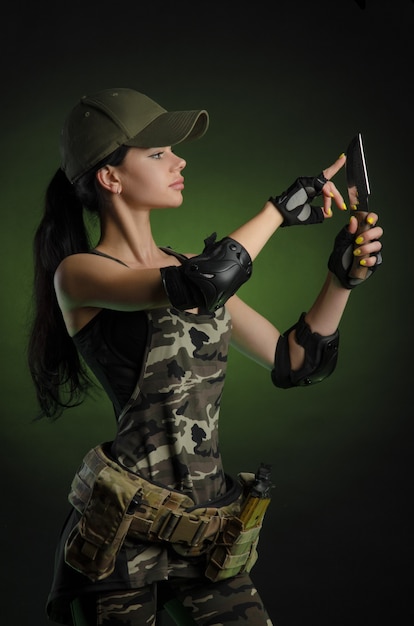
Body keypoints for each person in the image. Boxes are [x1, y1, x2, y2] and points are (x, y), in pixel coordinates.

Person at [28, 87, 383, 626]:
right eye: (157, 154)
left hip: (208, 538)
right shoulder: (80, 274)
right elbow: (203, 283)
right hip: (117, 543)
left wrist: (341, 280)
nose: (179, 160)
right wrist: (277, 212)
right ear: (110, 177)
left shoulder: (190, 264)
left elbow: (296, 363)